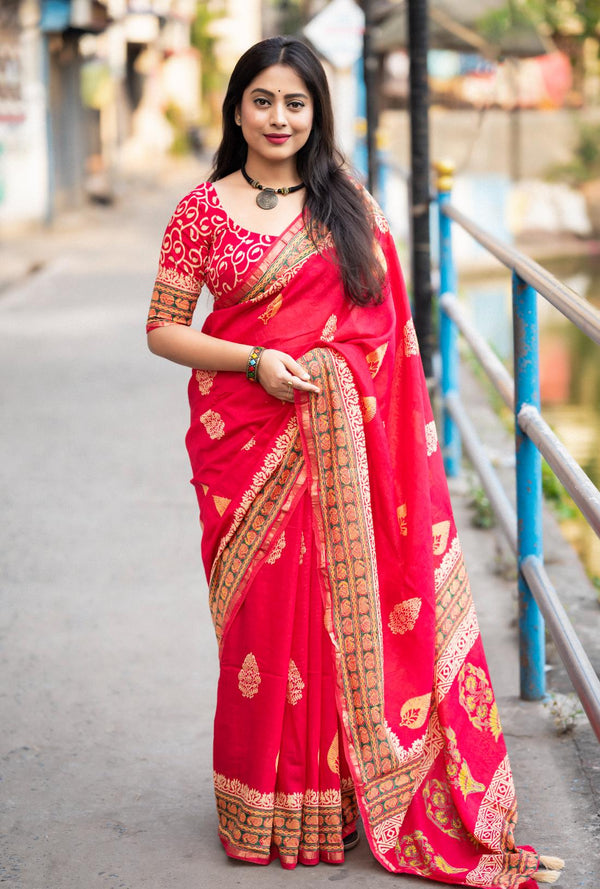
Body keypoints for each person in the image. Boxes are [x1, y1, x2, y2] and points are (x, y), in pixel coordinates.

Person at [146, 35, 563, 887]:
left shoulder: (350, 210)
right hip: (244, 447)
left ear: (316, 113)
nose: (278, 117)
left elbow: (384, 336)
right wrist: (253, 362)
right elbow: (163, 328)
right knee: (262, 629)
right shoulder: (200, 210)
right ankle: (261, 802)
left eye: (295, 103)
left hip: (335, 442)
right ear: (236, 108)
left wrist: (330, 374)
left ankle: (335, 798)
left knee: (336, 621)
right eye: (262, 100)